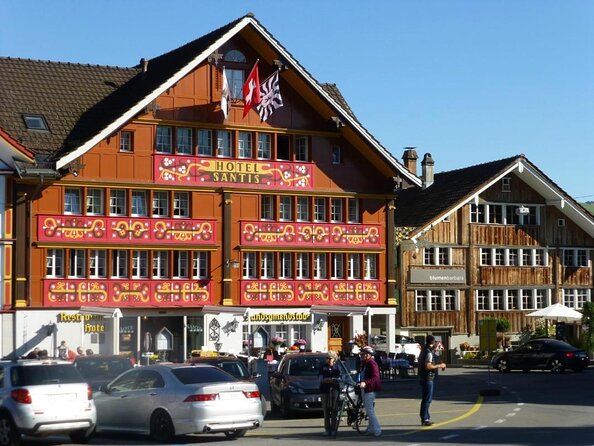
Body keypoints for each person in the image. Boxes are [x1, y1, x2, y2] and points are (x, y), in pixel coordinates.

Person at [418, 335, 446, 426]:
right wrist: (439, 366)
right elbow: (428, 366)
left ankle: (425, 417)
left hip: (423, 376)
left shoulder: (423, 350)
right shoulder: (429, 352)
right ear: (433, 342)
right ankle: (425, 418)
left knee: (425, 398)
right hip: (428, 377)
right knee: (427, 399)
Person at [358, 345, 382, 436]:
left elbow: (375, 377)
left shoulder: (372, 363)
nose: (362, 356)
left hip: (370, 389)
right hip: (365, 389)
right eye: (361, 354)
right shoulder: (365, 363)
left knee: (370, 411)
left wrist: (366, 383)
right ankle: (371, 428)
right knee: (369, 410)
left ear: (369, 355)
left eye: (364, 354)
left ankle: (377, 429)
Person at [319, 351, 341, 435]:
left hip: (335, 390)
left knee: (334, 410)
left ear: (334, 359)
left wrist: (332, 380)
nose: (328, 360)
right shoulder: (323, 367)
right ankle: (327, 429)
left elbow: (340, 378)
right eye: (327, 358)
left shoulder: (338, 367)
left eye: (330, 358)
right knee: (326, 411)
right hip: (324, 390)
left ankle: (334, 429)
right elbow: (321, 379)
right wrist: (329, 380)